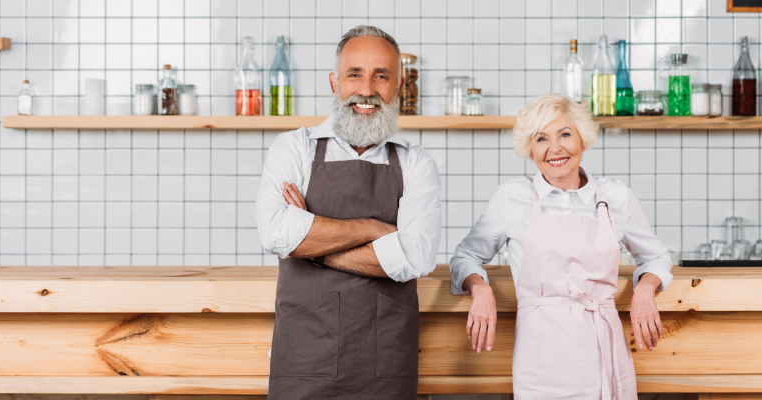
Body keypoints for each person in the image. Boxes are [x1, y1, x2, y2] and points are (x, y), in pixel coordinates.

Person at [256, 25, 442, 400]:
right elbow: (277, 234)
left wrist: (312, 242)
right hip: (304, 356)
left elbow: (414, 258)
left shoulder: (416, 163)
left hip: (385, 359)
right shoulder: (294, 148)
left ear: (398, 87)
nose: (367, 89)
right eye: (354, 74)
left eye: (381, 76)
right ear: (334, 83)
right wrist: (376, 229)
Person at [449, 94, 673, 399]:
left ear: (581, 139)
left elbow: (656, 256)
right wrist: (480, 288)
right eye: (541, 138)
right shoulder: (512, 197)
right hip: (541, 359)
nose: (555, 148)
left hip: (602, 349)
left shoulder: (615, 196)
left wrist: (645, 289)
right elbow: (465, 256)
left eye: (565, 134)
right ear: (530, 150)